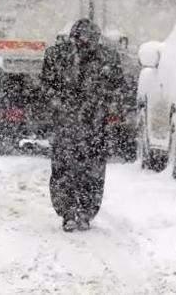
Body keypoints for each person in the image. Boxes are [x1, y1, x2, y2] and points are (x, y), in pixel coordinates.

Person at [41, 18, 126, 232]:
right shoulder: (58, 56)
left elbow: (117, 89)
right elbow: (46, 85)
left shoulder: (106, 58)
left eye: (88, 42)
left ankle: (85, 212)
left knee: (89, 171)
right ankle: (70, 212)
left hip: (93, 126)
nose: (84, 45)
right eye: (80, 41)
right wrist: (60, 105)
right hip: (69, 124)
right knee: (67, 169)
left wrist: (101, 107)